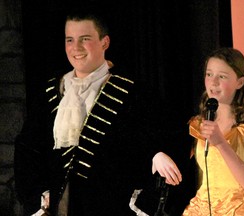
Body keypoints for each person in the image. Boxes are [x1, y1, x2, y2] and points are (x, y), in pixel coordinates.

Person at [14, 7, 193, 216]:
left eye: (85, 38)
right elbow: (28, 149)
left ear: (104, 42)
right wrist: (38, 198)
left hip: (110, 206)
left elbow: (162, 136)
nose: (76, 47)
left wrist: (157, 153)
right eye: (70, 39)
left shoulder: (131, 92)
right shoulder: (52, 92)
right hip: (59, 207)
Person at [182, 47, 244, 215]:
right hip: (202, 209)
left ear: (240, 82)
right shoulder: (199, 122)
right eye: (209, 74)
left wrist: (221, 143)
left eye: (222, 76)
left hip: (238, 209)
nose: (213, 82)